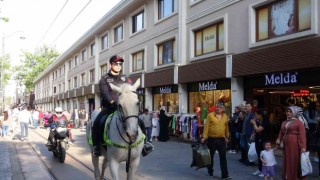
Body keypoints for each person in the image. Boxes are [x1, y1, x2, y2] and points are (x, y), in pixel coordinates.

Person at [91, 55, 153, 157]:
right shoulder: (104, 80)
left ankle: (145, 144)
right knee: (98, 122)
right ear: (111, 65)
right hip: (109, 108)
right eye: (116, 64)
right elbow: (106, 95)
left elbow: (130, 92)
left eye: (120, 64)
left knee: (140, 122)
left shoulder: (126, 79)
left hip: (125, 109)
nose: (118, 65)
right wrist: (114, 103)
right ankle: (97, 146)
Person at [201, 102, 232, 180]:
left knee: (223, 157)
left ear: (223, 109)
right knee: (210, 156)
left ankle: (225, 175)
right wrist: (204, 137)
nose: (218, 108)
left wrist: (227, 137)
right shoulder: (210, 115)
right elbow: (206, 127)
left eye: (220, 107)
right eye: (217, 107)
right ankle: (210, 170)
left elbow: (226, 128)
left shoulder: (225, 117)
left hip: (221, 139)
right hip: (212, 139)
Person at [276, 106, 307, 180]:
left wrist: (303, 147)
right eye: (287, 111)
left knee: (294, 161)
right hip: (286, 145)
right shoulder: (284, 122)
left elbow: (302, 136)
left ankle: (294, 177)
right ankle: (287, 176)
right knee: (287, 159)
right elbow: (281, 132)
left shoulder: (299, 122)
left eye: (290, 111)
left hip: (295, 145)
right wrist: (278, 139)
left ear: (294, 112)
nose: (288, 113)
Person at [250, 109, 270, 177]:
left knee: (264, 156)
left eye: (256, 115)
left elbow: (258, 129)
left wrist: (254, 123)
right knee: (259, 155)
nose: (255, 116)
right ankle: (260, 169)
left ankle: (265, 171)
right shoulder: (259, 121)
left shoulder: (265, 121)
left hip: (264, 140)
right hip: (258, 139)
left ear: (260, 115)